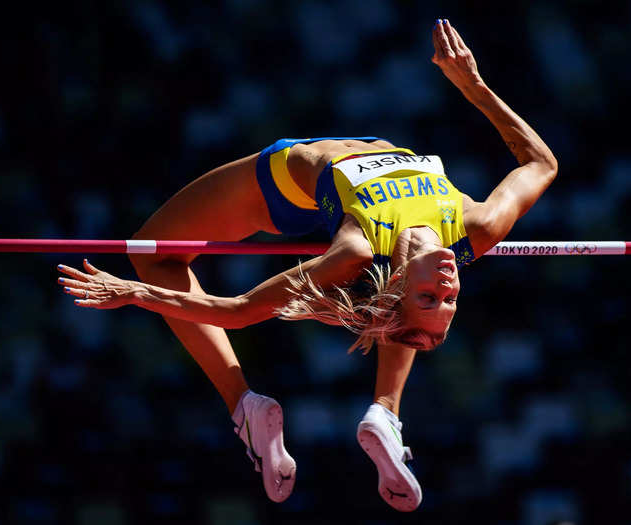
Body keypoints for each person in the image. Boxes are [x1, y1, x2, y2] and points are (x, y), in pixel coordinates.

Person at [56, 20, 557, 512]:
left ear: (401, 282)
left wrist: (136, 293)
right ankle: (385, 413)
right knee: (398, 321)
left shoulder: (358, 248)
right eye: (451, 300)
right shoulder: (477, 227)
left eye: (430, 297)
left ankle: (245, 407)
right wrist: (474, 85)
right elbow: (541, 164)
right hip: (355, 206)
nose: (449, 283)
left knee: (150, 252)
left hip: (282, 189)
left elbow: (238, 309)